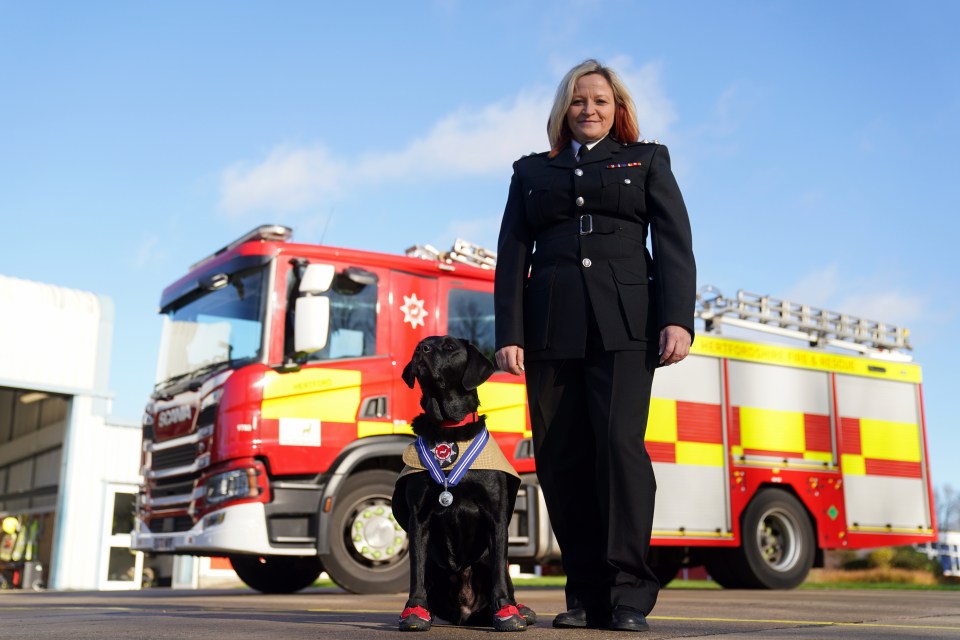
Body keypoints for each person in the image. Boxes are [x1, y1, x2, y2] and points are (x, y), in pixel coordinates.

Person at [493, 59, 696, 632]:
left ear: (618, 109)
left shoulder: (646, 159)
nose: (590, 109)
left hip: (627, 326)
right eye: (579, 101)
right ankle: (584, 594)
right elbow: (512, 254)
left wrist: (677, 318)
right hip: (551, 329)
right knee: (562, 459)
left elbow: (675, 241)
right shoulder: (532, 172)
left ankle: (629, 593)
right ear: (564, 110)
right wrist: (509, 332)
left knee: (618, 447)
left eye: (601, 101)